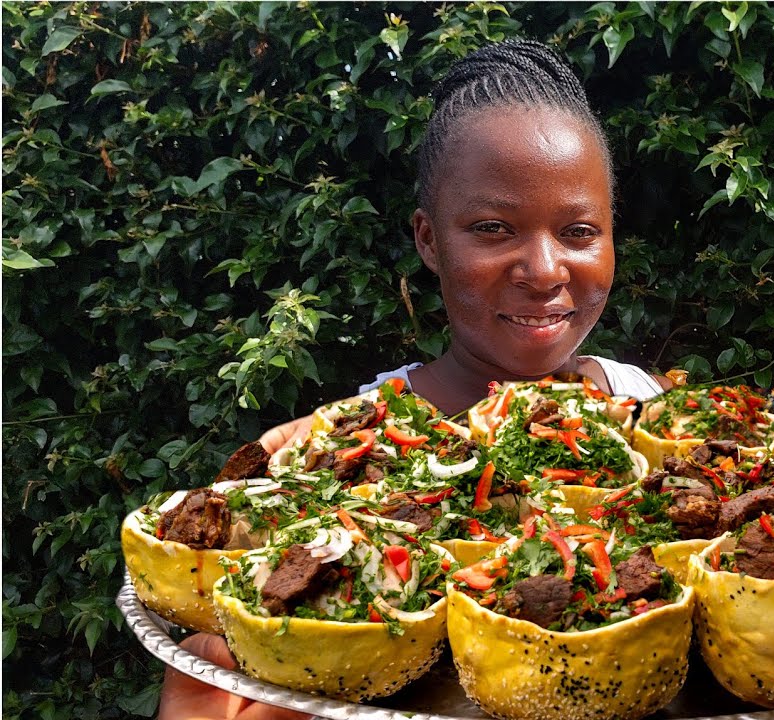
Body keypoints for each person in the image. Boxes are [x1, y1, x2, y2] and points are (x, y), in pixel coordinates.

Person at [158, 38, 671, 718]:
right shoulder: (346, 445)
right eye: (493, 227)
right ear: (429, 239)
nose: (546, 270)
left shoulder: (642, 402)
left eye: (579, 231)